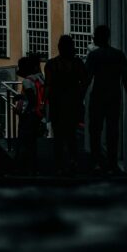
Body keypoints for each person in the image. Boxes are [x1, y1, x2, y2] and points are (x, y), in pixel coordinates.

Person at [85, 24, 127, 175]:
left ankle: (96, 162)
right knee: (113, 131)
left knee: (95, 131)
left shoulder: (94, 56)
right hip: (114, 95)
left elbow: (87, 79)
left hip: (98, 95)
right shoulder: (118, 55)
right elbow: (125, 79)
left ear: (98, 37)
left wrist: (79, 98)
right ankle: (112, 163)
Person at [45, 35, 88, 175]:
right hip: (73, 103)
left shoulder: (51, 64)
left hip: (57, 104)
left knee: (58, 137)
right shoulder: (78, 63)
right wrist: (80, 95)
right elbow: (85, 82)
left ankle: (59, 166)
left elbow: (49, 85)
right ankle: (73, 162)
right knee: (71, 136)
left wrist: (45, 102)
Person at [14, 56, 43, 175]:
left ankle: (22, 169)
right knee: (33, 143)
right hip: (37, 115)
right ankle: (34, 168)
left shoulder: (27, 81)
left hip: (28, 115)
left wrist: (24, 110)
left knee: (24, 142)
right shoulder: (39, 79)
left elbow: (31, 99)